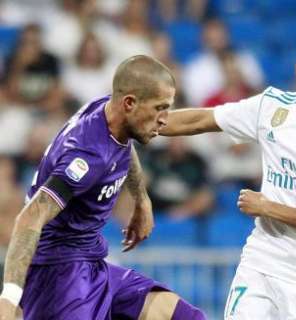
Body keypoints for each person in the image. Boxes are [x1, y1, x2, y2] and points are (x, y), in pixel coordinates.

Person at [161, 31, 296, 319]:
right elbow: (203, 119)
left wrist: (267, 207)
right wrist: (143, 121)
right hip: (262, 262)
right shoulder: (271, 106)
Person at [0, 55, 206, 320]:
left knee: (185, 317)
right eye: (159, 108)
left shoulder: (108, 113)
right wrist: (8, 298)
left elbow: (124, 147)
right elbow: (30, 216)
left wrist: (142, 200)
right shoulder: (86, 156)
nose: (165, 119)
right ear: (129, 103)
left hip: (91, 262)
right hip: (60, 275)